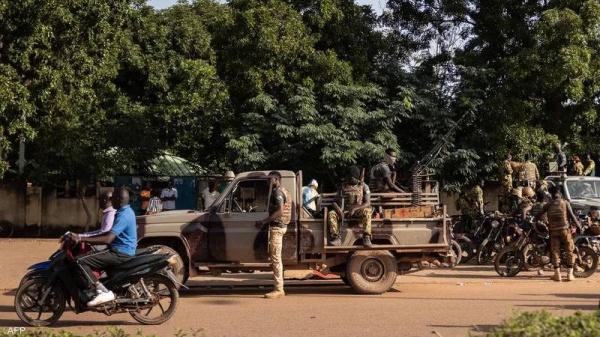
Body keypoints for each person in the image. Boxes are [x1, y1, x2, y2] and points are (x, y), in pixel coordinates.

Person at [67, 188, 137, 306]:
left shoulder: (123, 215)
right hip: (119, 249)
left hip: (120, 252)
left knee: (78, 261)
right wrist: (82, 237)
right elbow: (105, 233)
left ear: (118, 199)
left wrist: (80, 238)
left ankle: (103, 291)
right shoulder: (124, 211)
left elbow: (108, 238)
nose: (110, 201)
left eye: (112, 198)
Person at [532, 185, 582, 282]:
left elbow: (539, 213)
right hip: (565, 230)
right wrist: (579, 227)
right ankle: (569, 274)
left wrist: (534, 218)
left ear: (552, 195)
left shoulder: (549, 204)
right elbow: (572, 216)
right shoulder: (565, 203)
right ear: (560, 194)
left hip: (553, 231)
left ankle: (557, 274)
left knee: (555, 252)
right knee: (569, 250)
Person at [254, 171, 290, 299]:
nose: (268, 182)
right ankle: (279, 287)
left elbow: (280, 211)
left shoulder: (277, 192)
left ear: (276, 179)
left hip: (277, 228)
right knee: (276, 258)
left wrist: (264, 221)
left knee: (275, 258)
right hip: (281, 227)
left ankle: (279, 289)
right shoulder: (284, 190)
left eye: (270, 179)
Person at [328, 166, 373, 247]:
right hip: (344, 211)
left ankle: (366, 237)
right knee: (331, 213)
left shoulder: (363, 186)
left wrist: (355, 208)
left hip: (358, 211)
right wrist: (338, 209)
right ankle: (336, 238)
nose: (350, 178)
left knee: (367, 211)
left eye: (353, 176)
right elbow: (334, 201)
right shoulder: (343, 186)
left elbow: (367, 203)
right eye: (349, 176)